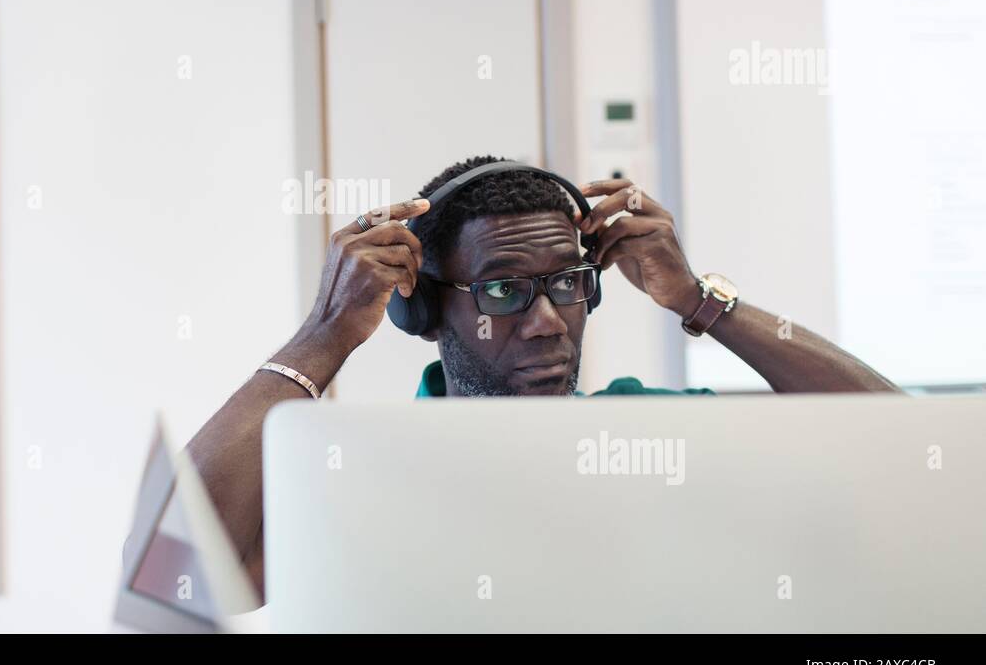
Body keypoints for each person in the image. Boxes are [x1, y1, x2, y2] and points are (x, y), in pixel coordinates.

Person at [188, 155, 898, 595]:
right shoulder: (362, 466)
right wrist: (325, 335)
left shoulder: (652, 431)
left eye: (567, 283)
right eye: (503, 290)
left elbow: (892, 442)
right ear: (426, 310)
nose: (549, 321)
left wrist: (697, 300)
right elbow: (186, 572)